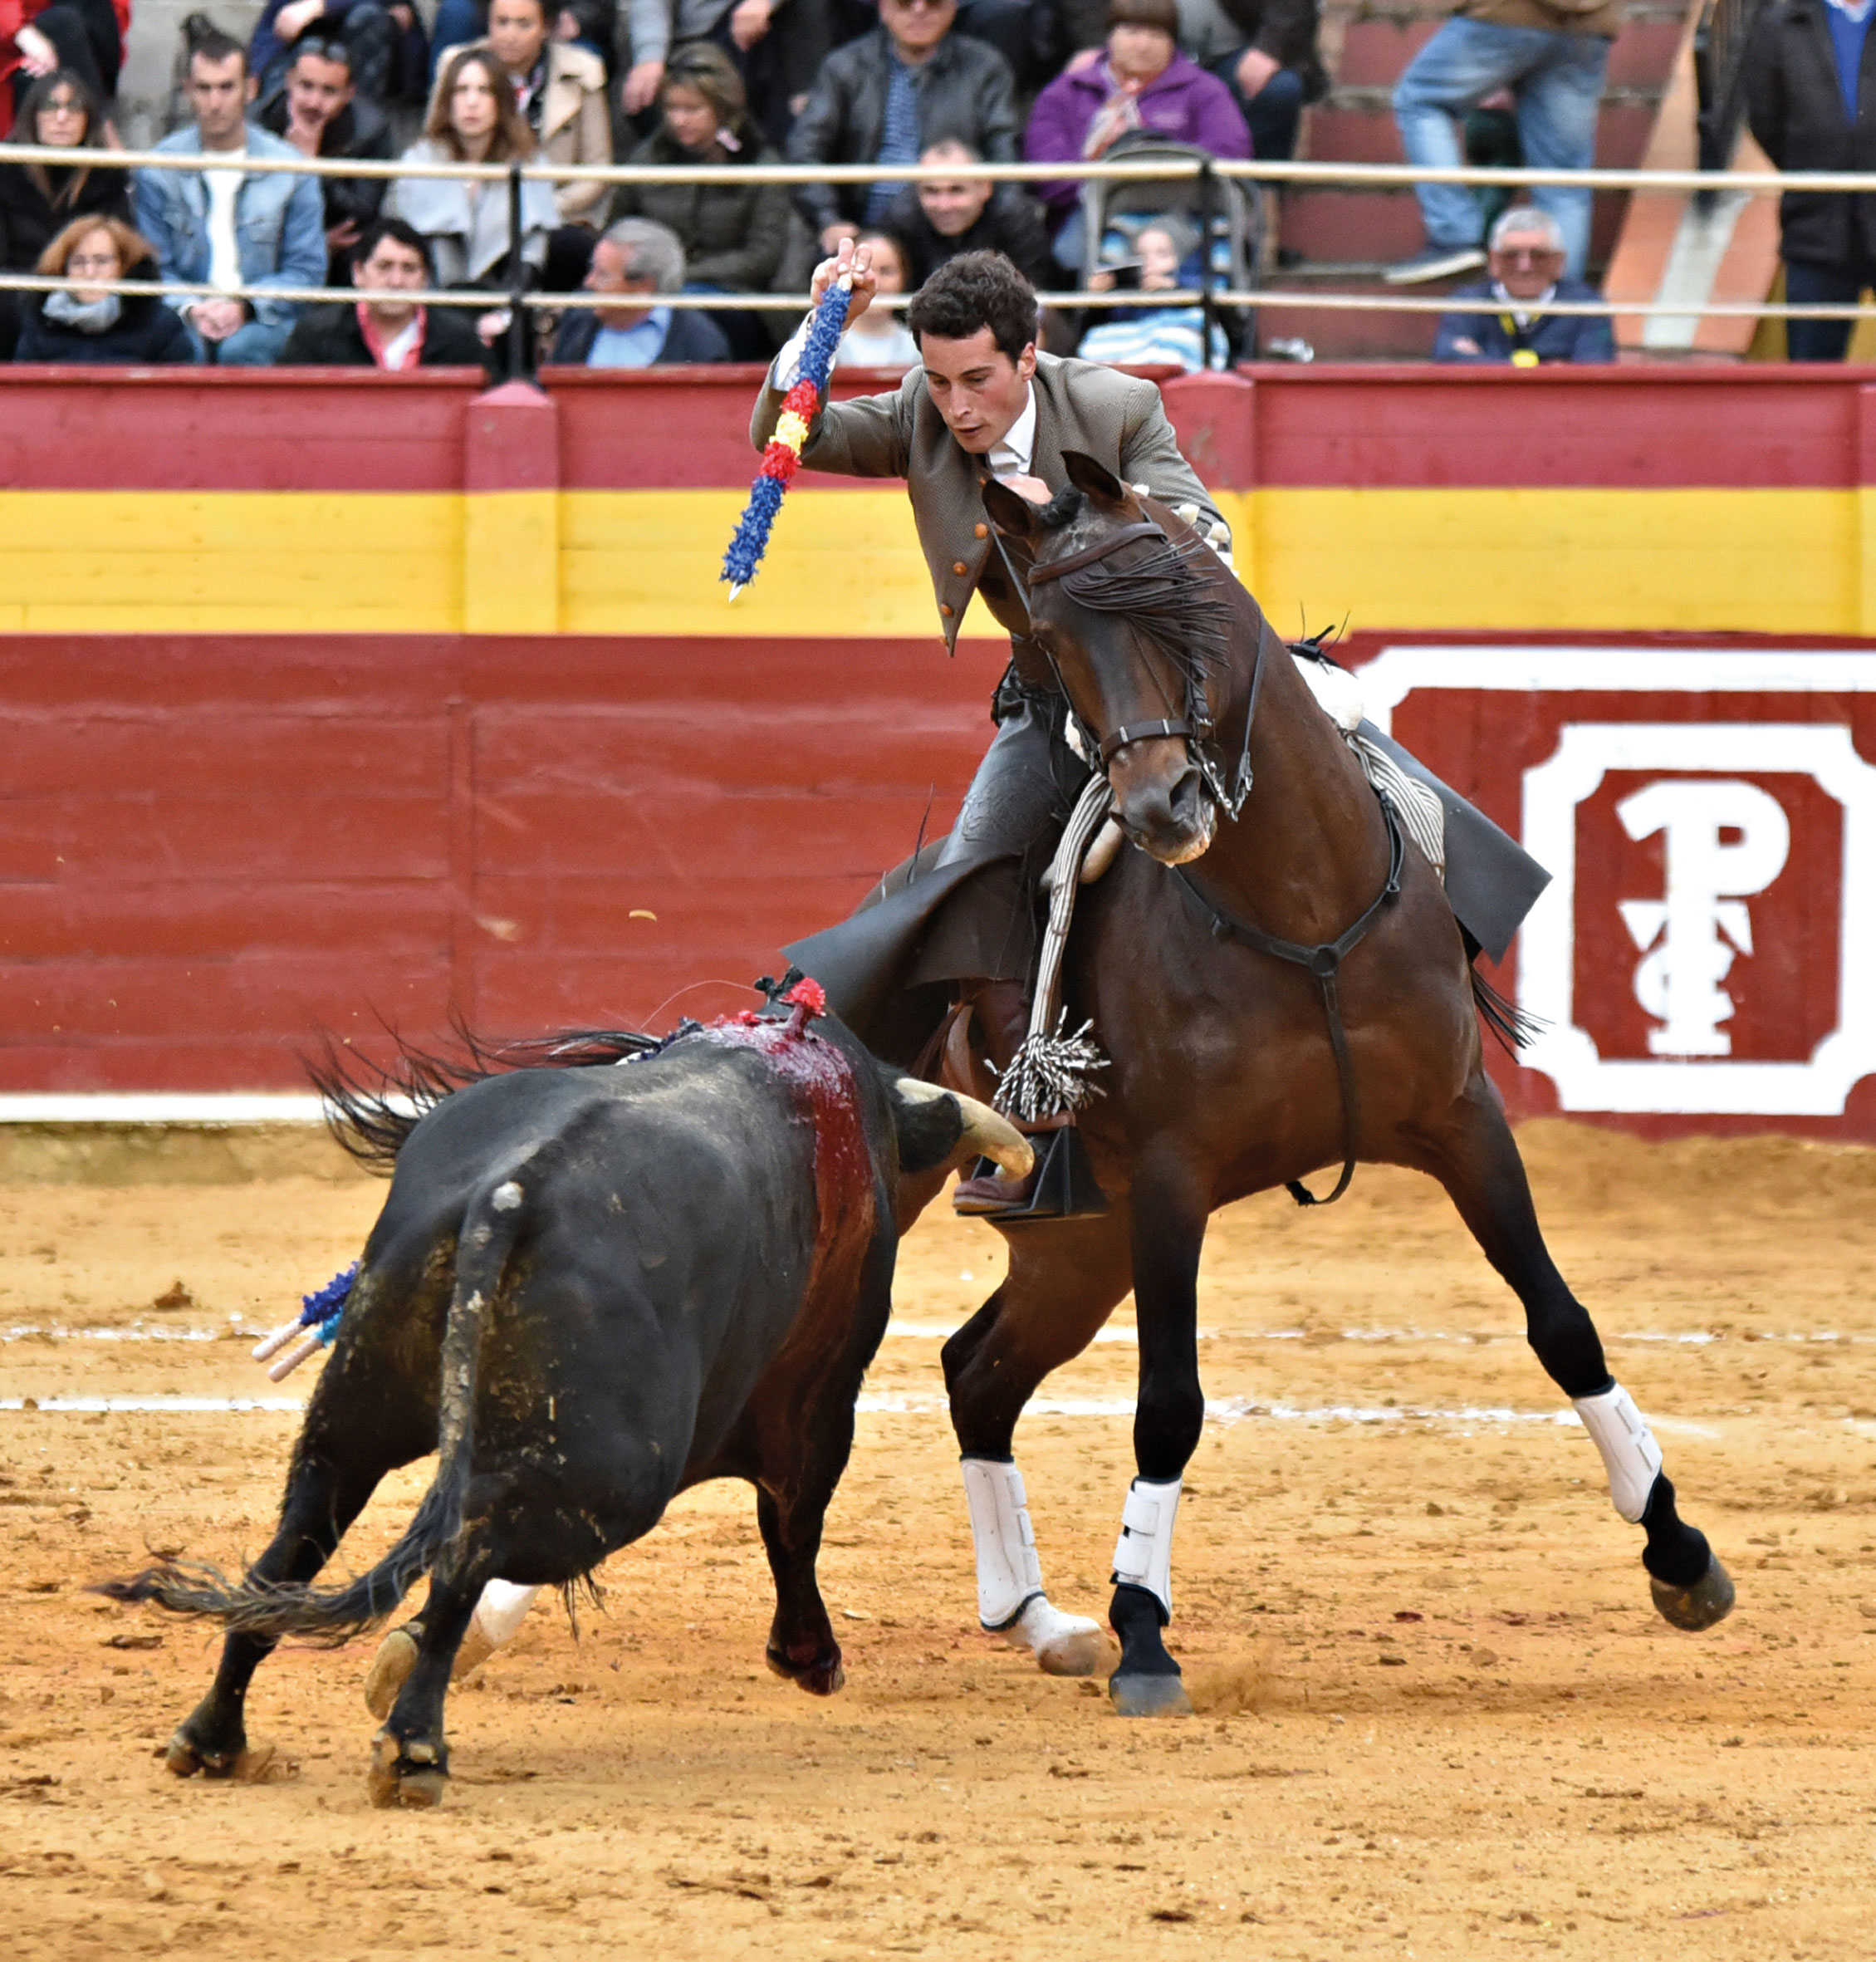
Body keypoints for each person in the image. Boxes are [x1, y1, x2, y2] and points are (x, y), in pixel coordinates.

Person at [752, 243, 1230, 1209]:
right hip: (1054, 703)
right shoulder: (919, 417)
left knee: (1347, 764)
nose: (958, 406)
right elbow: (788, 437)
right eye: (939, 381)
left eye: (977, 379)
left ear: (1028, 355)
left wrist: (1085, 518)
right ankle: (1043, 1133)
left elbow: (1205, 536)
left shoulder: (1116, 406)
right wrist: (822, 327)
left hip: (1166, 689)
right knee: (978, 874)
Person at [134, 28, 328, 365]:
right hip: (185, 314)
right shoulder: (159, 168)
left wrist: (246, 307)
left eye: (226, 88)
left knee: (243, 349)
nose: (214, 103)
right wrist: (192, 308)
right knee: (182, 347)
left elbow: (306, 271)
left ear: (250, 89)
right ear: (188, 91)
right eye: (204, 89)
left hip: (265, 318)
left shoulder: (291, 168)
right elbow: (153, 269)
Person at [1386, 0, 1613, 285]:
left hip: (1507, 14)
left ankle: (1454, 233)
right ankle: (1563, 300)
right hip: (1588, 26)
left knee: (1419, 101)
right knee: (1563, 181)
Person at [785, 0, 1020, 254]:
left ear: (953, 6)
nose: (919, 9)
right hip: (858, 231)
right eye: (904, 2)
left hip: (954, 231)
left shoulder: (985, 67)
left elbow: (1005, 155)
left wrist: (992, 231)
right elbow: (804, 150)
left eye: (933, 2)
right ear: (883, 8)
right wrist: (828, 220)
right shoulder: (843, 67)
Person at [610, 42, 790, 357]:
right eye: (671, 109)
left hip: (736, 295)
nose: (679, 120)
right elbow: (617, 230)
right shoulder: (648, 158)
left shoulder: (760, 165)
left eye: (692, 110)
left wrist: (681, 276)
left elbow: (763, 256)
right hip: (650, 287)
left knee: (690, 313)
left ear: (722, 108)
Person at [1025, 0, 1250, 250]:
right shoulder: (1065, 92)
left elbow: (1231, 154)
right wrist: (1103, 177)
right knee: (1072, 252)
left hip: (1185, 215)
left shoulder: (1206, 90)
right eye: (1132, 32)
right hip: (1086, 216)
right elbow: (1047, 172)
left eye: (1156, 34)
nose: (1143, 45)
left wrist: (1158, 180)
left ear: (1173, 41)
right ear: (1109, 36)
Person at [384, 45, 559, 350]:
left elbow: (533, 253)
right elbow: (399, 241)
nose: (472, 102)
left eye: (484, 91)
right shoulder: (419, 160)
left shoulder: (530, 162)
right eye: (462, 90)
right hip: (430, 302)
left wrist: (504, 315)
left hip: (506, 305)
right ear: (447, 101)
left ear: (501, 101)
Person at [1746, 0, 1876, 361]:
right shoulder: (1781, 23)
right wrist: (1813, 168)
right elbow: (1765, 118)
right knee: (1813, 371)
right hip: (1815, 230)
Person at [438, 0, 611, 248]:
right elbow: (436, 148)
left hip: (555, 216)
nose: (510, 36)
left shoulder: (584, 70)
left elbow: (597, 170)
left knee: (573, 247)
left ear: (546, 27)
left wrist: (543, 209)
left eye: (524, 24)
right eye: (502, 22)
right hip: (469, 212)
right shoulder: (456, 65)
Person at [0, 68, 128, 358]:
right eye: (50, 106)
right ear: (32, 116)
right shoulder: (5, 170)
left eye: (74, 107)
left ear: (88, 118)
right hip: (16, 304)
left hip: (93, 294)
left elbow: (126, 255)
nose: (62, 117)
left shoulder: (107, 177)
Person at [278, 214, 498, 367]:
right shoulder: (316, 336)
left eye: (409, 269)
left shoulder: (460, 340)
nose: (396, 281)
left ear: (426, 278)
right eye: (384, 267)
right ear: (358, 272)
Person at [256, 36, 393, 277]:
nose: (314, 103)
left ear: (349, 94)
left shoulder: (370, 129)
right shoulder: (259, 123)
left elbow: (363, 212)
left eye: (329, 91)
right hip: (270, 242)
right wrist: (312, 242)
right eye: (306, 86)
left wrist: (314, 168)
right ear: (289, 81)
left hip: (341, 247)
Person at [620, 0, 832, 148]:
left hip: (773, 31)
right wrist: (650, 56)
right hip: (694, 34)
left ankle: (799, 124)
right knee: (644, 80)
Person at [1432, 203, 1612, 362]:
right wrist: (1549, 369)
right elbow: (1447, 358)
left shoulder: (1585, 305)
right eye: (1511, 255)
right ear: (1494, 261)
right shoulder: (1467, 303)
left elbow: (1595, 368)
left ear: (1559, 261)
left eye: (1538, 255)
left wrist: (1484, 361)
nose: (1524, 266)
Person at [548, 213, 732, 361]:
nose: (589, 282)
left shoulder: (700, 343)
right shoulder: (578, 317)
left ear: (643, 285)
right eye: (592, 269)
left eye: (602, 275)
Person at [13, 213, 194, 361]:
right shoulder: (39, 326)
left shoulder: (160, 325)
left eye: (102, 261)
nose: (90, 272)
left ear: (124, 266)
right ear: (63, 269)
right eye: (78, 262)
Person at [884, 136, 1058, 288]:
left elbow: (1035, 294)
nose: (944, 205)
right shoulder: (901, 219)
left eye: (956, 190)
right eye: (931, 191)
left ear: (985, 188)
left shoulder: (1016, 219)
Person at [1172, 0, 1325, 163]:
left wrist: (1270, 48)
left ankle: (1260, 176)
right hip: (1165, 49)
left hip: (1238, 53)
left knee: (1278, 89)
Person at [1077, 213, 1225, 368]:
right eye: (1140, 255)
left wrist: (1173, 289)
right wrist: (1097, 299)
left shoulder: (1195, 283)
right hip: (1128, 347)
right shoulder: (1124, 293)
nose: (1149, 262)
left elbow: (1218, 316)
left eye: (1162, 254)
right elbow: (1098, 330)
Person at [247, 0, 428, 110]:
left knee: (369, 17)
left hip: (373, 68)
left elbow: (399, 11)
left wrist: (322, 5)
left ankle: (361, 128)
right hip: (310, 52)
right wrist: (256, 70)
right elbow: (277, 22)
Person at [1, 0, 124, 124]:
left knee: (69, 17)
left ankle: (99, 119)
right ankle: (101, 122)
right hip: (15, 43)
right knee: (59, 22)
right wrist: (23, 34)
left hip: (79, 42)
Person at [833, 224, 919, 366]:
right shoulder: (818, 341)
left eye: (886, 271)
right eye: (863, 271)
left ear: (904, 277)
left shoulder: (917, 348)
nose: (875, 283)